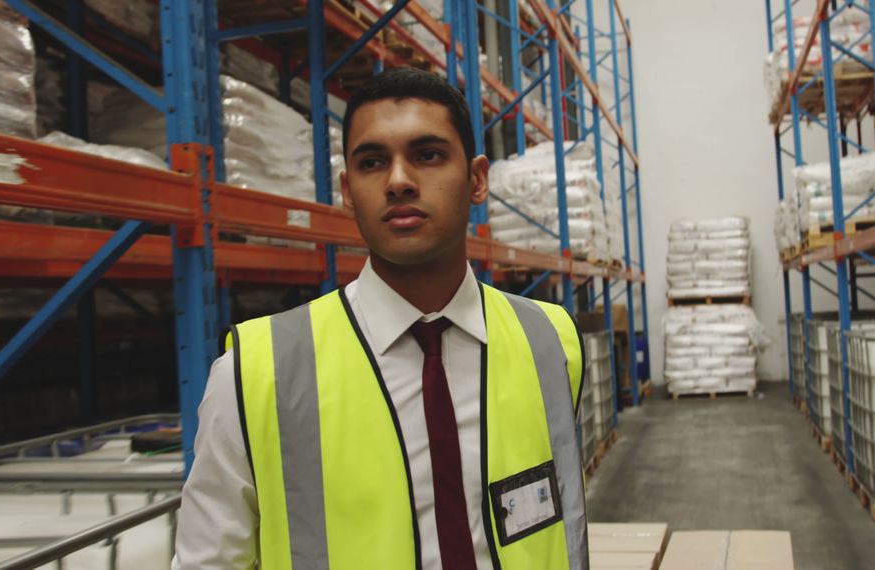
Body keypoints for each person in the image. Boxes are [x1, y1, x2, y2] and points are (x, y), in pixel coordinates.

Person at [173, 67, 588, 570]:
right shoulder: (256, 373)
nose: (398, 181)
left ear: (477, 180)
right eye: (373, 162)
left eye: (427, 155)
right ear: (348, 190)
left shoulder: (550, 341)